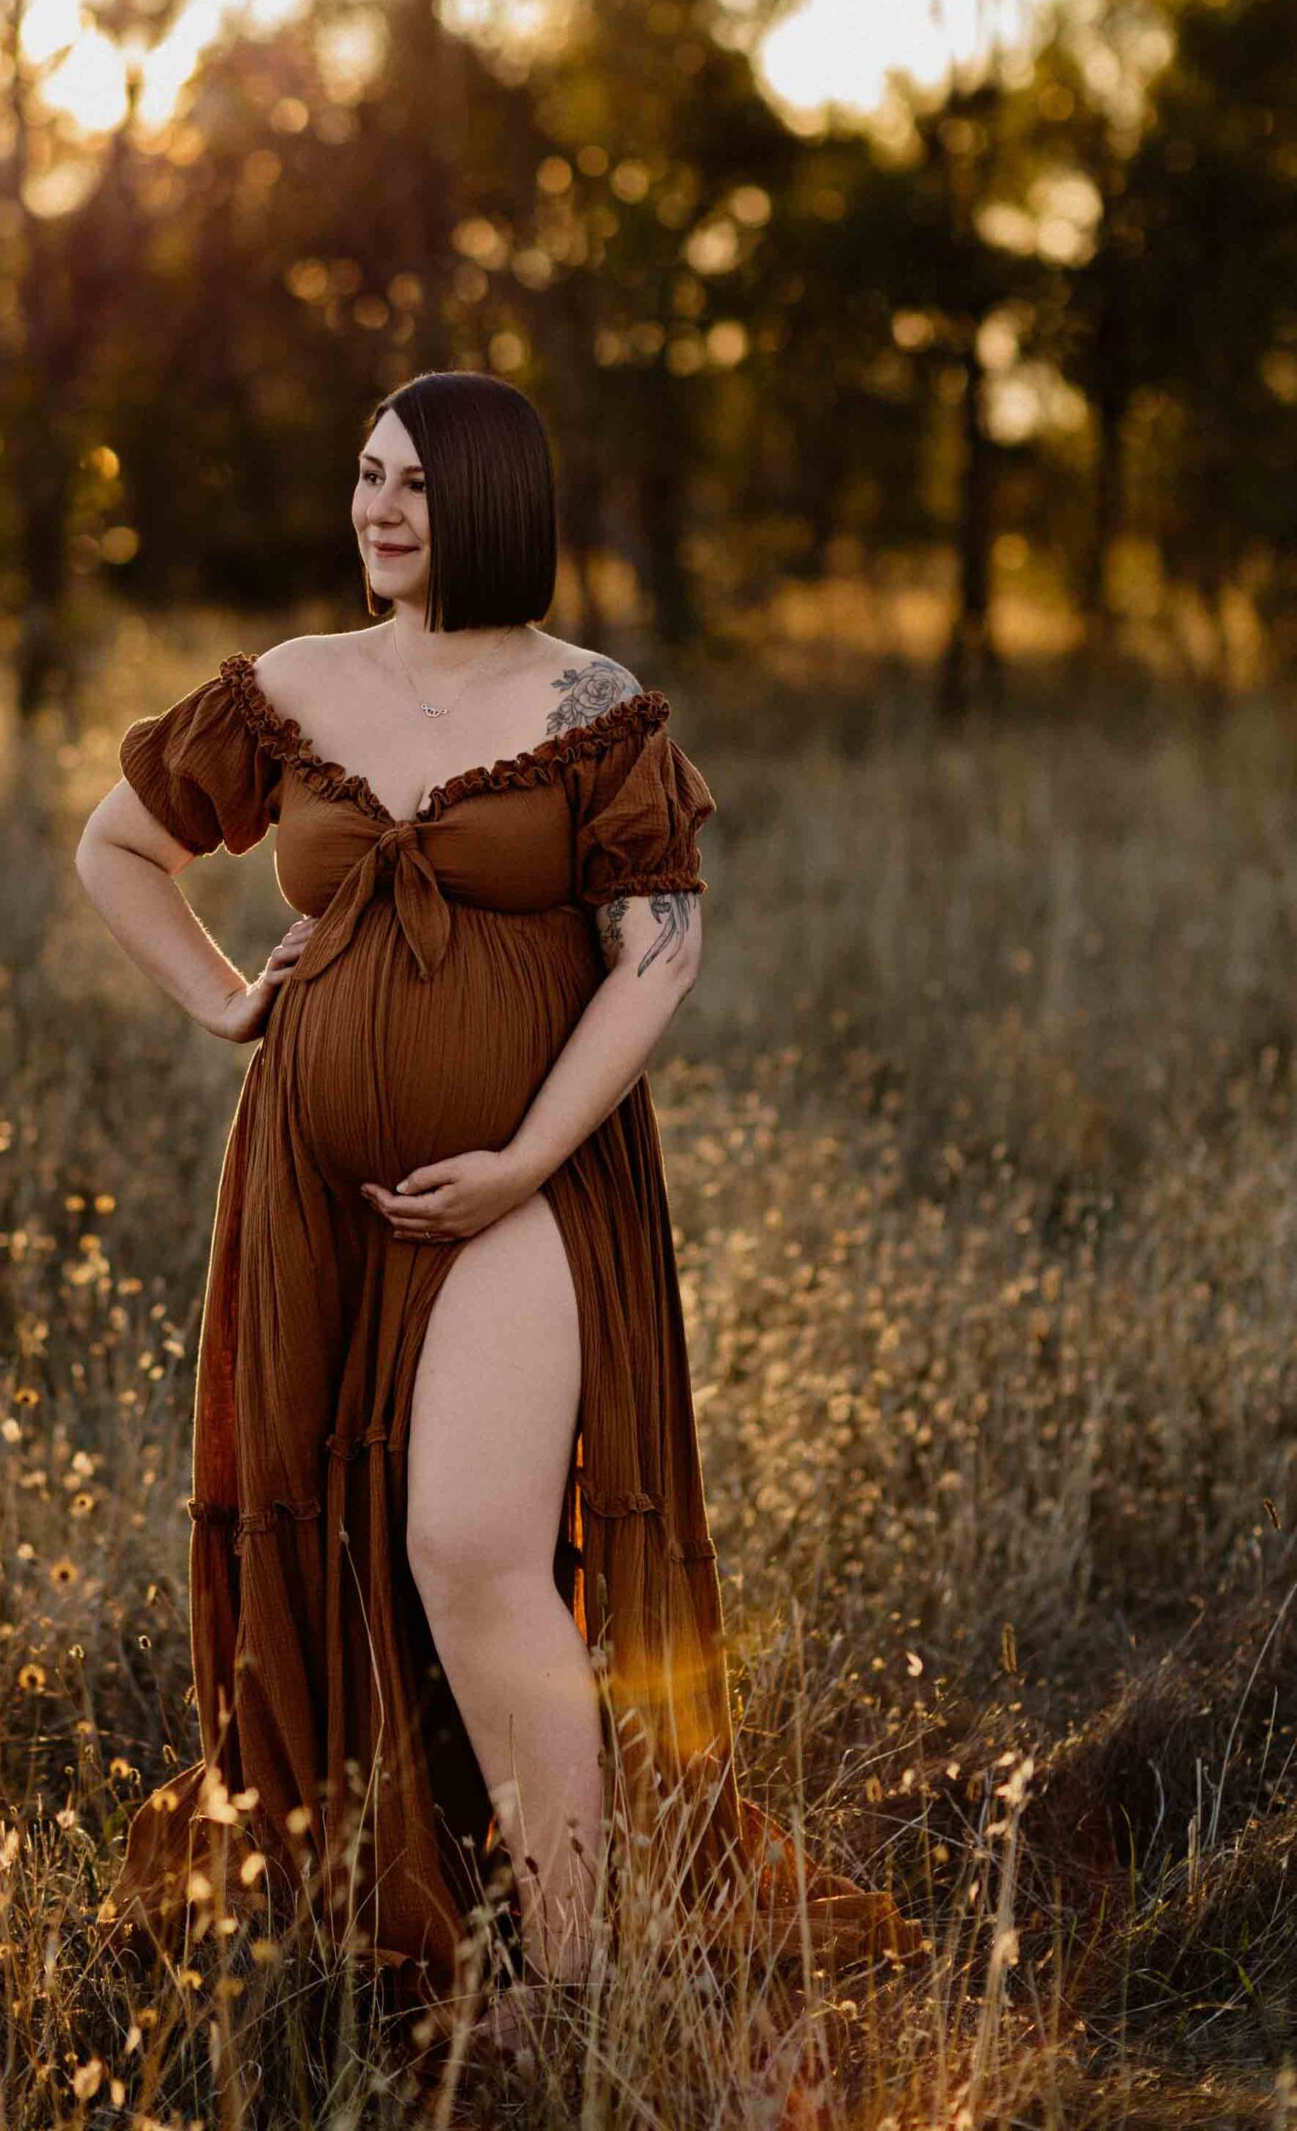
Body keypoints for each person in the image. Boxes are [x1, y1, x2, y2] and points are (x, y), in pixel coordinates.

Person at [75, 372, 918, 2049]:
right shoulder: (289, 688)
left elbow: (657, 957)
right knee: (343, 1555)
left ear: (493, 502)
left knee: (465, 1545)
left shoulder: (587, 701)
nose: (381, 511)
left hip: (529, 1184)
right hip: (310, 1194)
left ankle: (578, 1973)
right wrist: (237, 1003)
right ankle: (431, 1930)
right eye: (366, 478)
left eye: (417, 487)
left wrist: (528, 1155)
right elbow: (117, 848)